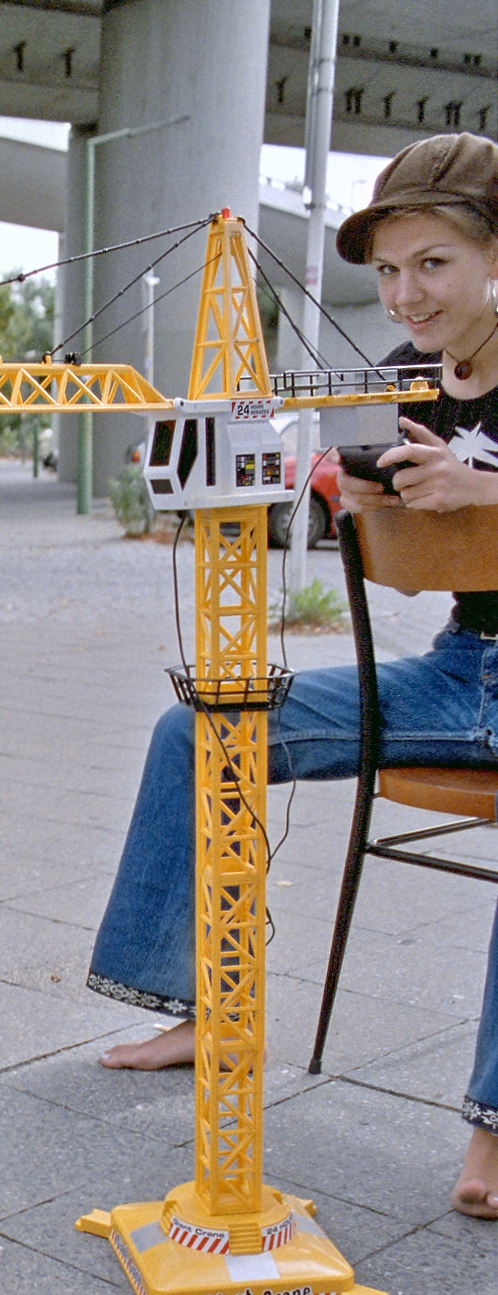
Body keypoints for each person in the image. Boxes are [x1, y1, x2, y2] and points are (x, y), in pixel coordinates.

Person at [87, 134, 498, 1219]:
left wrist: (482, 485)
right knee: (202, 729)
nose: (405, 293)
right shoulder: (423, 380)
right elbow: (430, 564)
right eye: (390, 270)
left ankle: (495, 1128)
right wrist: (386, 504)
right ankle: (198, 1009)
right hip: (460, 670)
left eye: (435, 265)